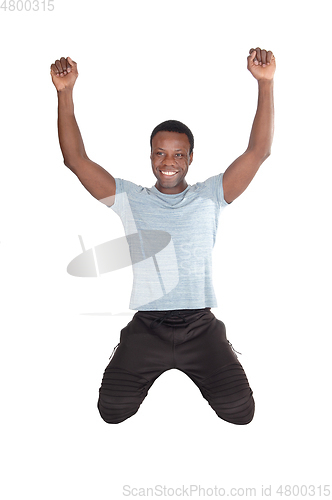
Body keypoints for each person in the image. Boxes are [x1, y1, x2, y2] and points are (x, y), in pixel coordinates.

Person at [51, 47, 275, 425]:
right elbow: (76, 160)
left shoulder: (211, 195)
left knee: (241, 414)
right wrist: (64, 93)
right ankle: (127, 348)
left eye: (177, 154)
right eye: (160, 153)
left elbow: (258, 151)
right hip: (147, 328)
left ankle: (220, 352)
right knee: (112, 412)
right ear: (151, 157)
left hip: (200, 327)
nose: (168, 162)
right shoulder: (130, 199)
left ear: (190, 158)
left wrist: (265, 85)